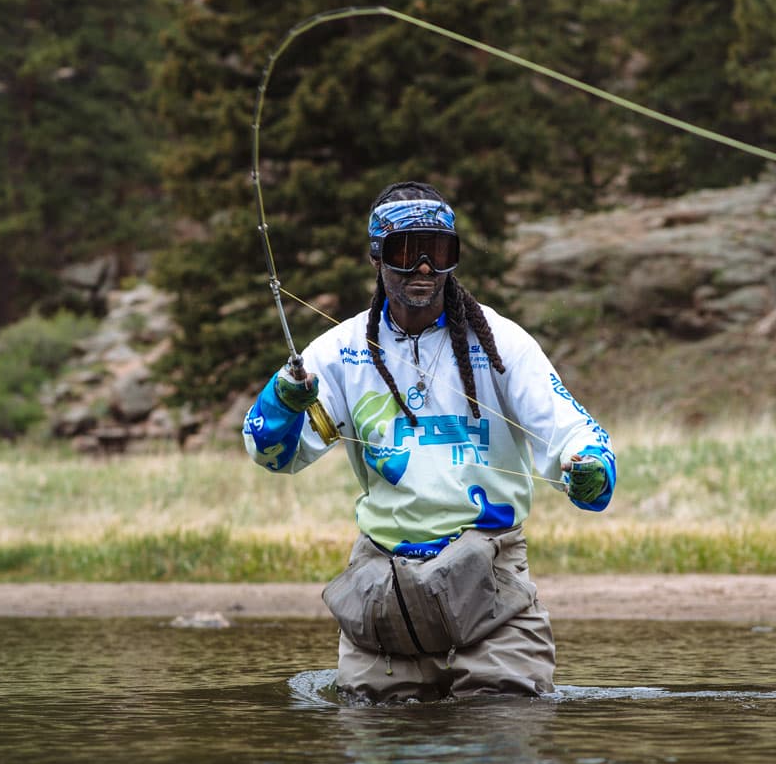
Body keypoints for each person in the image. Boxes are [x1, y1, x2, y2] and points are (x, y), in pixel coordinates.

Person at [243, 181, 615, 702]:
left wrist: (589, 464)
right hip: (382, 587)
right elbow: (272, 454)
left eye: (438, 252)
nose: (423, 268)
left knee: (503, 721)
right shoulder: (339, 351)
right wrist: (282, 401)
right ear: (376, 257)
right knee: (376, 739)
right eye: (406, 251)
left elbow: (572, 431)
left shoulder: (502, 343)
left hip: (491, 587)